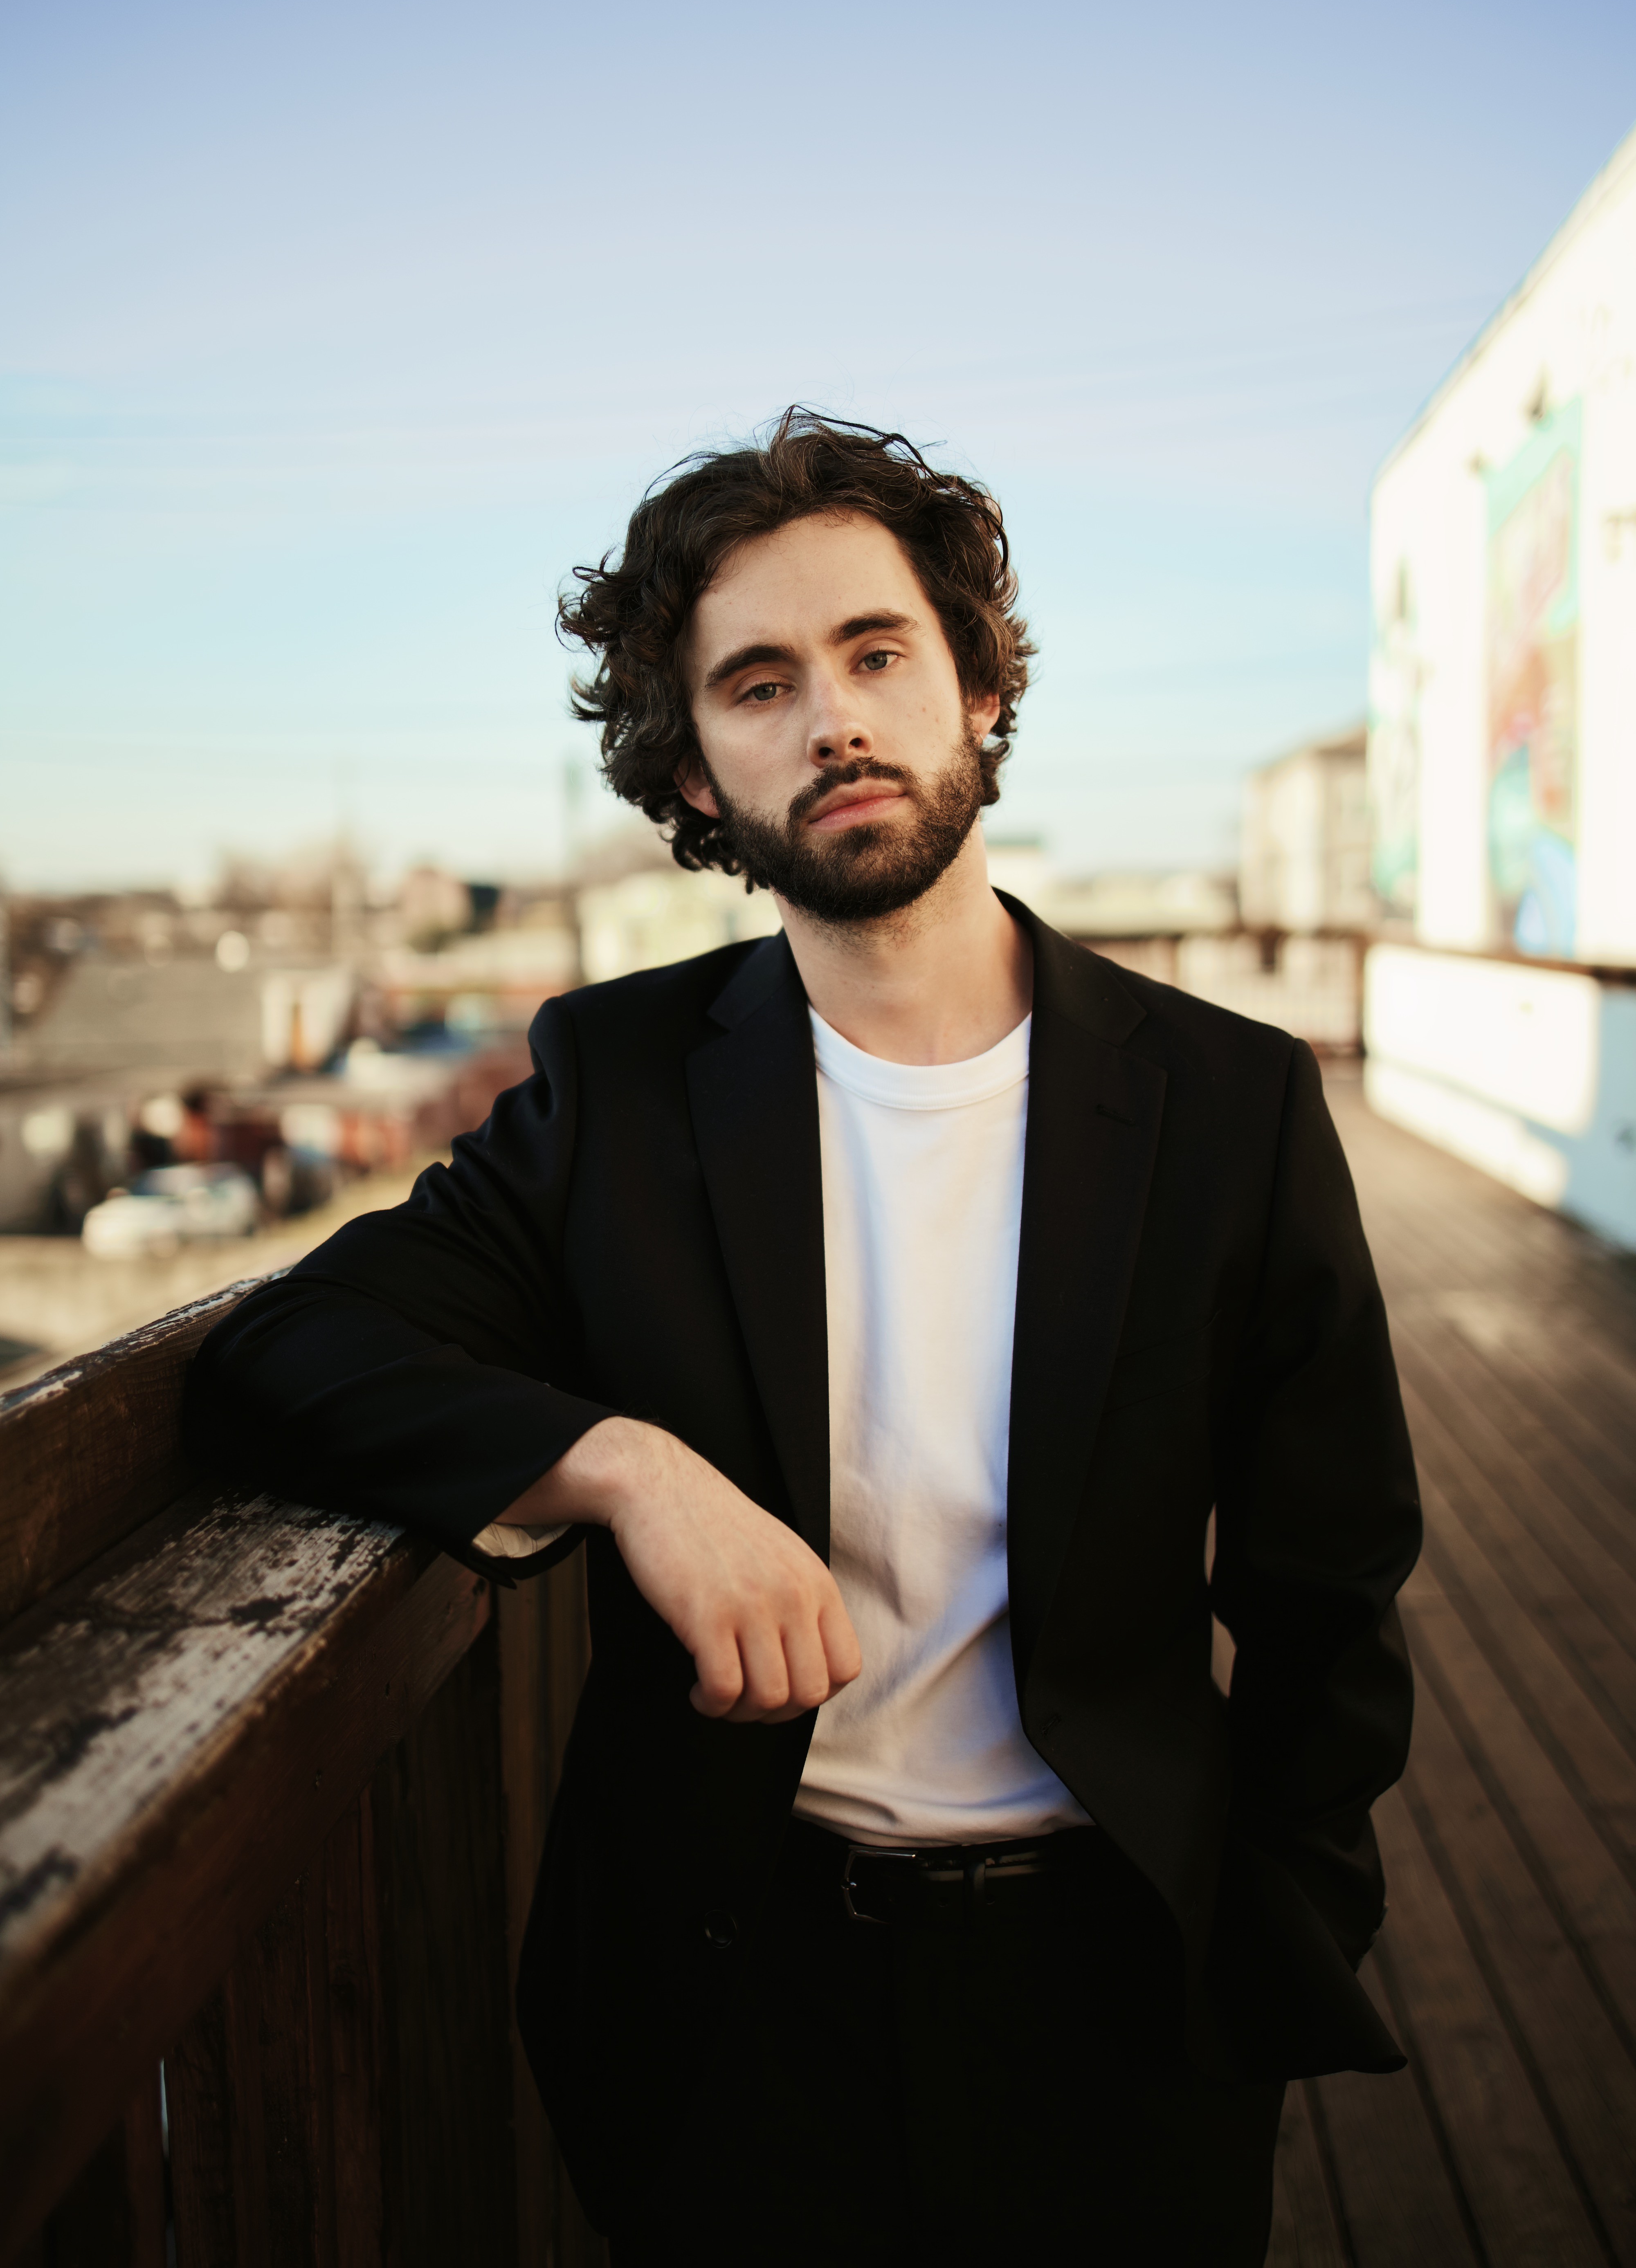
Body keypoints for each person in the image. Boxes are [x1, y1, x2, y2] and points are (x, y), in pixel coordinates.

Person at [186, 410, 1422, 2265]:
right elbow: (288, 1348)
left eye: (876, 654)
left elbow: (1333, 1593)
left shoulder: (1228, 1107)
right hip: (729, 1993)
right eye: (757, 685)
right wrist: (624, 1469)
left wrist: (1268, 1938)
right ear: (693, 781)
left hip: (1116, 1992)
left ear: (976, 693)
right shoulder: (619, 1089)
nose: (832, 718)